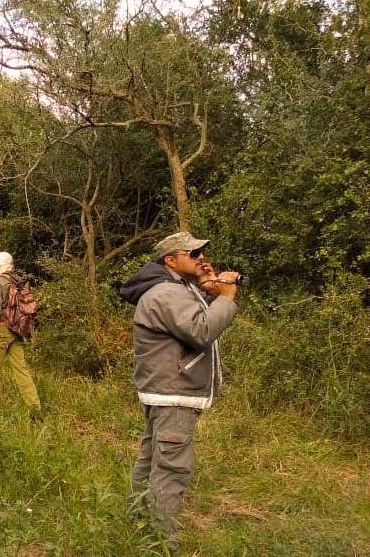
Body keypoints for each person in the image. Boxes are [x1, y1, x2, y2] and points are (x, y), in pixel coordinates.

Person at [118, 231, 239, 549]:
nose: (202, 258)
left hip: (164, 389)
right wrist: (226, 298)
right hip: (174, 392)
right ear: (170, 260)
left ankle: (140, 524)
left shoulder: (175, 288)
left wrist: (209, 290)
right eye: (194, 254)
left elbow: (194, 320)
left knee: (151, 460)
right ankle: (160, 543)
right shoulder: (167, 293)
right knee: (172, 468)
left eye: (202, 253)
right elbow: (201, 331)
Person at [0, 251, 41, 412]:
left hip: (0, 331)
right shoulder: (20, 281)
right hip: (17, 331)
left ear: (1, 263)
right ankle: (35, 409)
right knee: (22, 371)